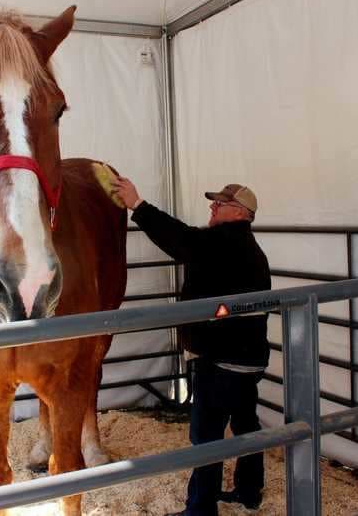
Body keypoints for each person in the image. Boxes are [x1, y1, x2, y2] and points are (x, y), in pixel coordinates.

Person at [112, 179, 271, 516]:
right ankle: (249, 490)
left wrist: (138, 206)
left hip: (222, 359)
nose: (212, 207)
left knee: (206, 434)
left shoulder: (225, 241)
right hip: (249, 357)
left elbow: (182, 240)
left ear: (241, 213)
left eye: (221, 203)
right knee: (245, 424)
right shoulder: (250, 247)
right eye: (214, 202)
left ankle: (200, 509)